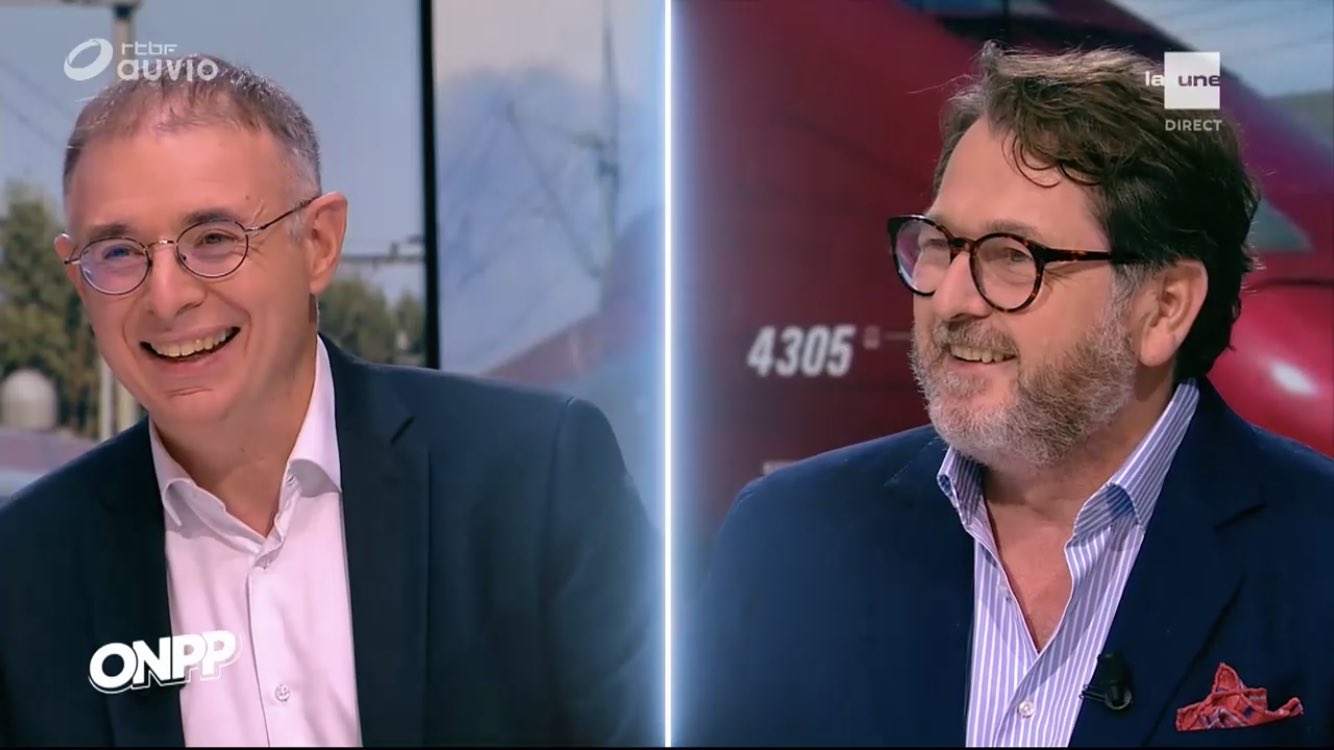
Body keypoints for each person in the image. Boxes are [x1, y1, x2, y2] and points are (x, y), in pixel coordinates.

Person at [678, 42, 1334, 747]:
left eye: (1013, 257)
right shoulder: (787, 541)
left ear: (1163, 308)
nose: (951, 300)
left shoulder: (1316, 553)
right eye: (939, 244)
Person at [0, 56, 661, 747]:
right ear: (77, 278)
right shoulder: (26, 568)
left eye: (215, 240)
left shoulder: (532, 480)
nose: (166, 297)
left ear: (318, 243)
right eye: (118, 252)